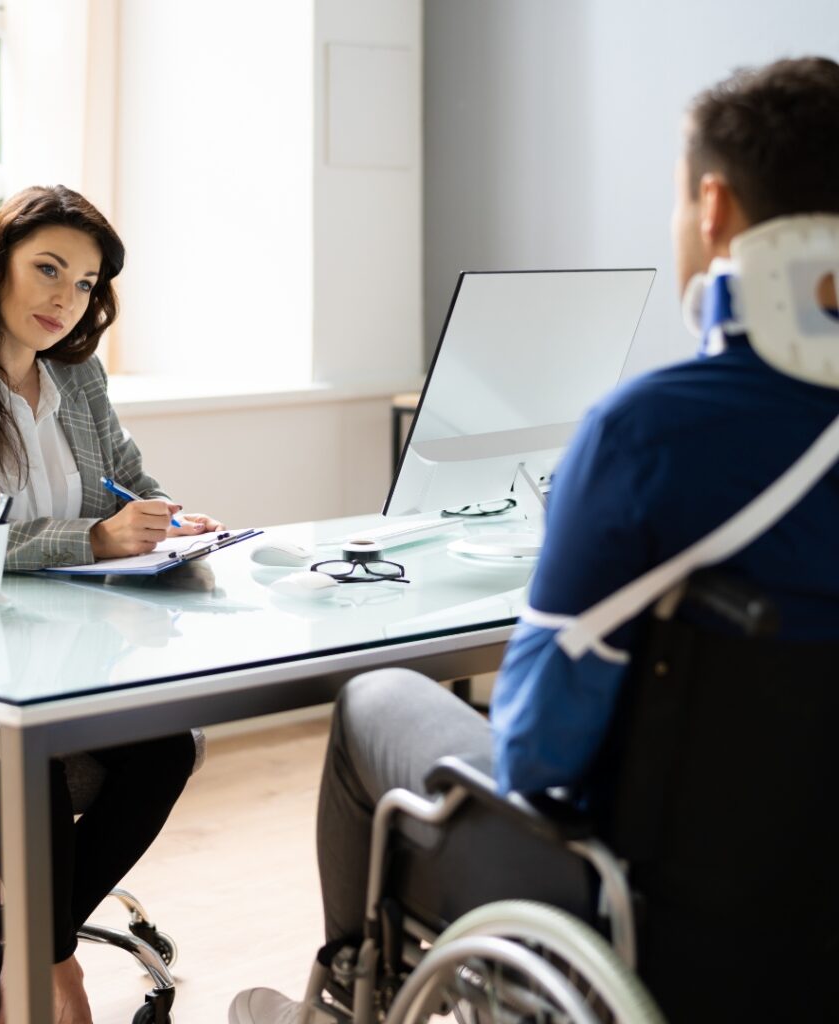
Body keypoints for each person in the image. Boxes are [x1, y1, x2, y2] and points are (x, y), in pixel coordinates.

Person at [229, 56, 839, 1024]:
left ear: (713, 208)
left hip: (646, 911)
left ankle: (344, 1002)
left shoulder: (655, 433)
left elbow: (536, 756)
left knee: (376, 697)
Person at [0, 184, 222, 1023]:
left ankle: (22, 955)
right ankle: (56, 976)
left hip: (71, 646)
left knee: (164, 748)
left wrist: (174, 522)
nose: (66, 298)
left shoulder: (77, 377)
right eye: (48, 269)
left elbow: (130, 481)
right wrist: (93, 540)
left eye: (86, 282)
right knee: (34, 761)